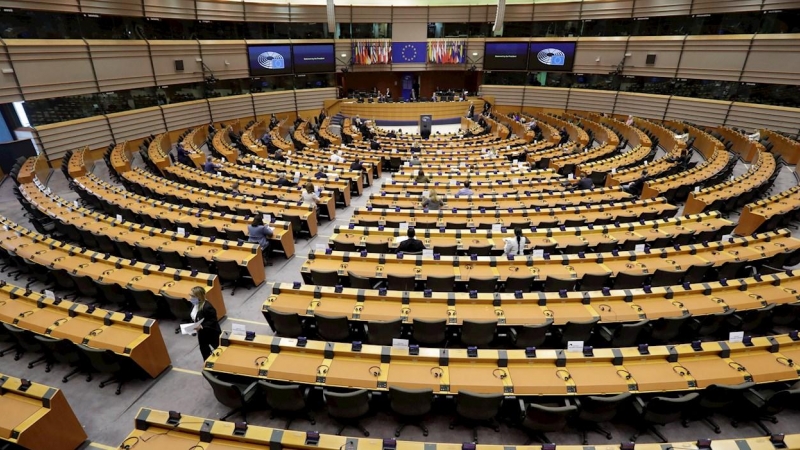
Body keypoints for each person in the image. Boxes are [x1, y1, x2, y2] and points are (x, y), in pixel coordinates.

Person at [190, 286, 221, 361]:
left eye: (192, 296)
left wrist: (201, 326)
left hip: (212, 333)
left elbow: (213, 320)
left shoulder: (207, 307)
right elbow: (194, 315)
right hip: (202, 333)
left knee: (219, 349)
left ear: (199, 296)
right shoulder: (194, 304)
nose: (190, 298)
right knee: (204, 350)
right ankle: (208, 363)